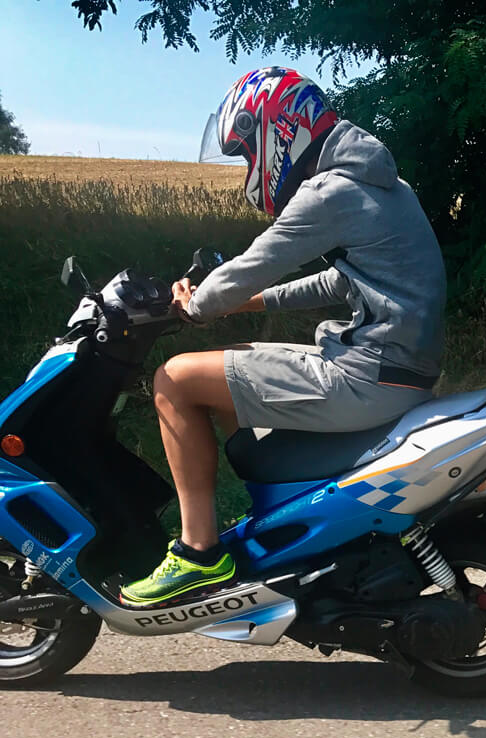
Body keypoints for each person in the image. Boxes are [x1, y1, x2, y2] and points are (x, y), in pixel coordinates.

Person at [120, 67, 447, 607]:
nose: (252, 165)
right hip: (397, 369)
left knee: (174, 379)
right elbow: (341, 279)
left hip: (368, 376)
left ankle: (198, 553)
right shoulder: (379, 183)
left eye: (249, 150)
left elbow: (257, 260)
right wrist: (249, 303)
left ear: (278, 126)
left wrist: (197, 304)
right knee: (234, 361)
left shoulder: (330, 191)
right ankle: (279, 530)